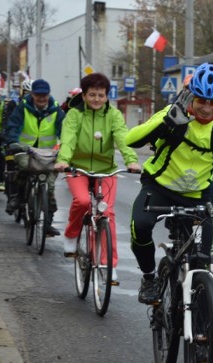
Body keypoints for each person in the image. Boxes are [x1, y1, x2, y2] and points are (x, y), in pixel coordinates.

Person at [126, 62, 213, 304]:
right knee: (140, 226)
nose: (207, 108)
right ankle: (149, 277)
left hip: (197, 195)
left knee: (202, 259)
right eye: (202, 101)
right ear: (192, 97)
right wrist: (163, 124)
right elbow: (131, 139)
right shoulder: (172, 113)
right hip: (159, 188)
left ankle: (197, 318)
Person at [54, 73, 141, 283]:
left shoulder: (114, 115)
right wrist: (63, 160)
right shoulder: (74, 115)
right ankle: (72, 234)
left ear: (106, 96)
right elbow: (68, 139)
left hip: (106, 170)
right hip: (78, 168)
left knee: (106, 213)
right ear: (83, 95)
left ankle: (108, 265)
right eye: (92, 95)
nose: (96, 99)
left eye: (101, 95)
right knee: (83, 201)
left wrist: (131, 160)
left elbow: (122, 138)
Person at [4, 79, 65, 236]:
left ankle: (48, 224)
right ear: (32, 94)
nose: (41, 98)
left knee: (50, 187)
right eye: (38, 95)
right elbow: (12, 126)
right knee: (24, 168)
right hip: (26, 151)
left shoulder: (56, 110)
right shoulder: (22, 108)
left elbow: (65, 130)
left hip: (48, 154)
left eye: (44, 95)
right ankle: (18, 196)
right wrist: (12, 142)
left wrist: (66, 145)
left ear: (48, 95)